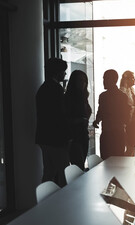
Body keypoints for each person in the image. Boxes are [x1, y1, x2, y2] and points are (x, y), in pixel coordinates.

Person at [35, 58, 69, 187]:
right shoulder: (56, 89)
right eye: (63, 71)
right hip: (56, 138)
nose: (65, 74)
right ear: (57, 72)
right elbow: (60, 116)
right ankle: (64, 202)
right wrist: (67, 137)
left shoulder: (43, 88)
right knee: (64, 172)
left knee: (49, 172)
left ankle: (45, 201)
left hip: (44, 137)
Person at [93, 69, 130, 160]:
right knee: (118, 162)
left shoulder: (103, 96)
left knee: (105, 162)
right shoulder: (123, 96)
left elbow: (100, 111)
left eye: (105, 78)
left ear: (111, 80)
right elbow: (126, 118)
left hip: (106, 134)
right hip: (119, 134)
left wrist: (97, 120)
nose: (103, 81)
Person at [65, 70, 92, 171]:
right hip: (74, 137)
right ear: (74, 82)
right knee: (78, 166)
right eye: (80, 80)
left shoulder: (83, 97)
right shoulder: (68, 98)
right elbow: (66, 119)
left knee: (80, 165)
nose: (83, 83)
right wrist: (80, 120)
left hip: (83, 135)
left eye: (84, 81)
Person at [119, 71, 135, 156]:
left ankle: (131, 166)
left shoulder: (131, 90)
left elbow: (131, 106)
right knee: (130, 147)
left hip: (134, 122)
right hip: (129, 123)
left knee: (133, 147)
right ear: (127, 79)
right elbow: (124, 109)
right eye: (133, 78)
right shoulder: (123, 91)